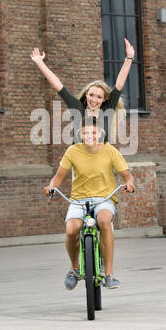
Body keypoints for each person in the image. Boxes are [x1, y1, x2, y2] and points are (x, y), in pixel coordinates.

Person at [43, 116, 135, 290]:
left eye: (93, 132)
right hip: (79, 200)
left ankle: (108, 274)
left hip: (104, 198)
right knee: (71, 230)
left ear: (100, 133)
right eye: (85, 133)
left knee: (104, 221)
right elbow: (58, 177)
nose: (89, 136)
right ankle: (75, 269)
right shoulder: (72, 151)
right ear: (80, 135)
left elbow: (127, 175)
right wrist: (51, 186)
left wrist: (129, 184)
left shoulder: (110, 151)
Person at [31, 38, 135, 143]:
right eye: (91, 95)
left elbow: (119, 84)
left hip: (100, 157)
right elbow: (58, 85)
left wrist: (129, 58)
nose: (94, 100)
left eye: (99, 97)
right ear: (86, 95)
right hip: (79, 157)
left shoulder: (107, 108)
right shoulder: (78, 108)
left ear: (104, 99)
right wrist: (40, 62)